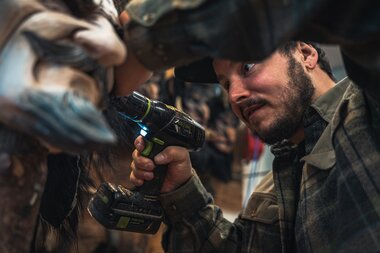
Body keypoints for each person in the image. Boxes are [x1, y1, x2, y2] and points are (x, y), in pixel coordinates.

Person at [129, 41, 380, 252]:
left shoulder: (366, 107)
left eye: (247, 67)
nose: (234, 95)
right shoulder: (272, 189)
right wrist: (180, 188)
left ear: (305, 54)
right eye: (226, 84)